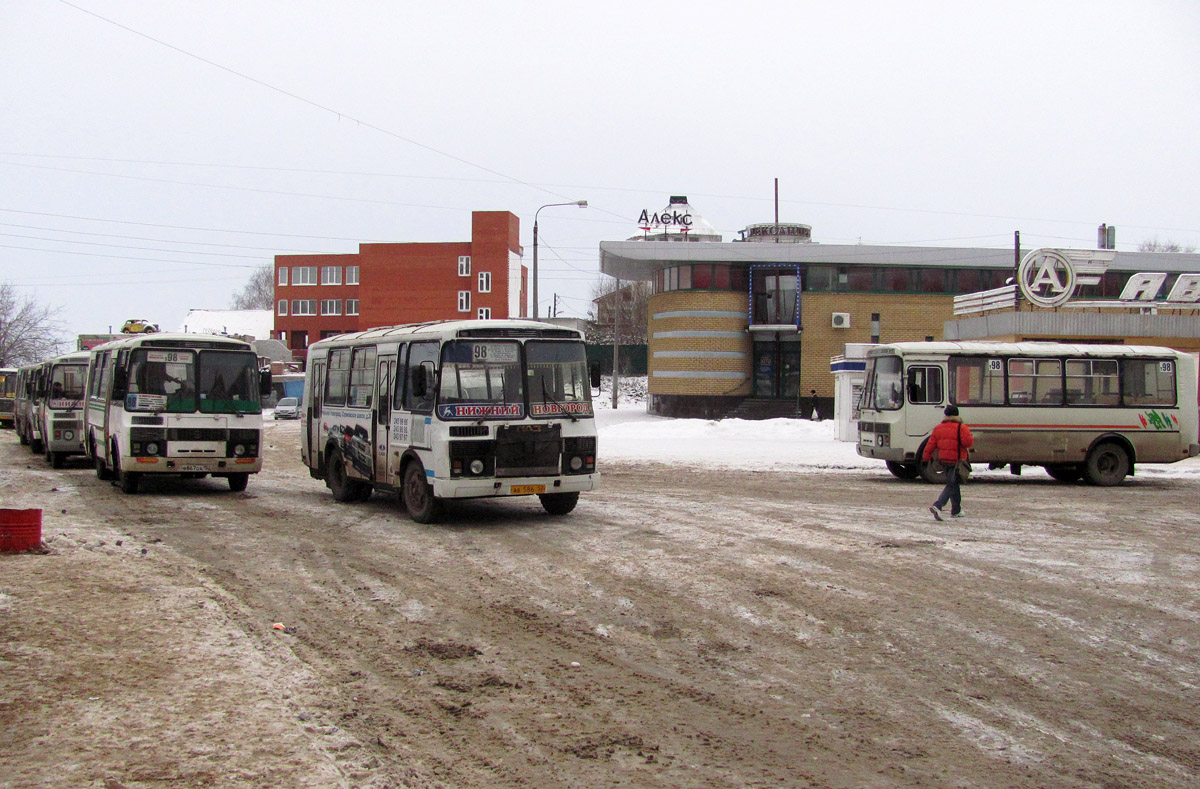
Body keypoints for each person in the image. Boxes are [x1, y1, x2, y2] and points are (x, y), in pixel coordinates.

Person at [922, 405, 974, 520]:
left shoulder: (938, 428)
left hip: (944, 460)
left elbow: (930, 445)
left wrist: (925, 459)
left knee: (954, 484)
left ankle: (956, 510)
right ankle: (938, 505)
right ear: (957, 415)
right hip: (957, 461)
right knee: (951, 485)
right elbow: (968, 443)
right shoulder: (962, 427)